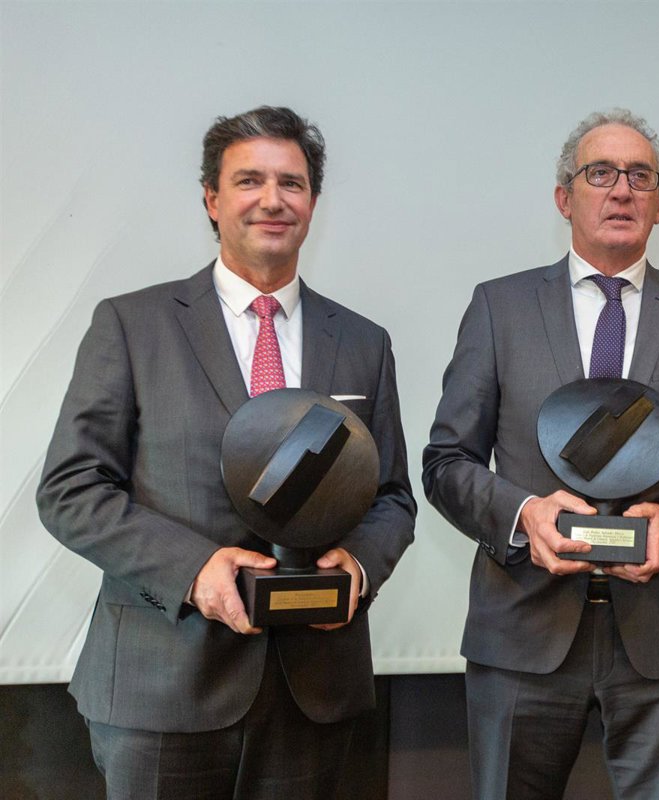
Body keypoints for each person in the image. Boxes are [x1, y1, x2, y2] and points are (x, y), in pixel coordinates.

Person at [36, 105, 417, 799]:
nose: (273, 200)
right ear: (212, 199)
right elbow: (72, 489)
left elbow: (391, 496)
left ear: (313, 203)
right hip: (161, 688)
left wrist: (359, 567)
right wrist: (193, 570)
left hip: (313, 690)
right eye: (249, 181)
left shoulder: (364, 341)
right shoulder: (133, 325)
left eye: (292, 183)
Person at [422, 108, 659, 799]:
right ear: (564, 197)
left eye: (641, 177)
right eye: (600, 173)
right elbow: (447, 462)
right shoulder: (499, 308)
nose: (622, 190)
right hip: (523, 632)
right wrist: (524, 514)